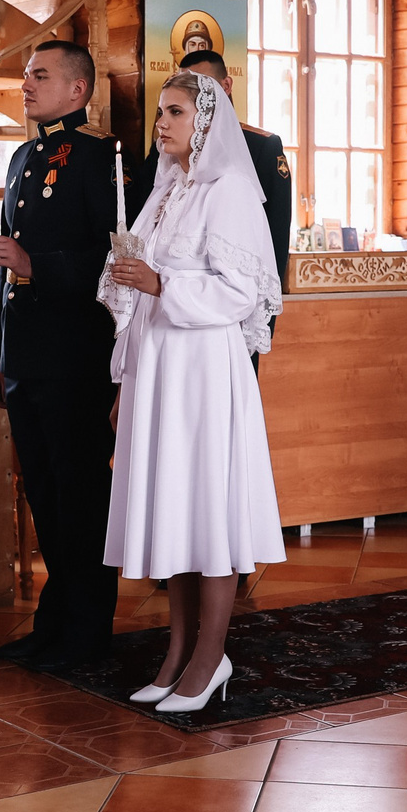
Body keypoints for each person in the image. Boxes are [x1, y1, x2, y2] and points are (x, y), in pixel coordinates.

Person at [102, 71, 287, 714]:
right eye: (159, 112)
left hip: (203, 368)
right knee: (171, 507)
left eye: (175, 112)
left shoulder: (229, 188)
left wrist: (159, 287)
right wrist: (127, 285)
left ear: (206, 121)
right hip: (159, 366)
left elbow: (243, 292)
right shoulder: (166, 188)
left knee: (206, 506)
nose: (162, 123)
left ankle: (211, 657)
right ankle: (177, 654)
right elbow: (141, 276)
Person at [0, 40, 121, 670]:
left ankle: (87, 632)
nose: (25, 85)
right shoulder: (21, 157)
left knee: (79, 495)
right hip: (27, 359)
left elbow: (114, 261)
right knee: (42, 494)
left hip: (76, 358)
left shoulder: (98, 158)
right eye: (25, 74)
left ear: (78, 91)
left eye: (39, 75)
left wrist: (36, 262)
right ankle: (54, 623)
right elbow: (9, 277)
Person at [177, 47, 292, 284]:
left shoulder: (262, 146)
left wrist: (266, 315)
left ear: (226, 85)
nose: (196, 95)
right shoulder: (171, 149)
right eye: (187, 87)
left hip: (240, 286)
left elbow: (275, 232)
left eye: (204, 86)